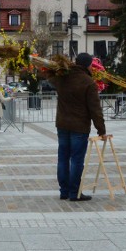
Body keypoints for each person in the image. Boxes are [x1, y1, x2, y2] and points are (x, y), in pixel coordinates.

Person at [48, 53, 107, 201]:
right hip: (79, 127)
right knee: (76, 160)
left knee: (62, 158)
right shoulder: (88, 82)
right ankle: (75, 193)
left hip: (62, 124)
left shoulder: (62, 77)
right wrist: (102, 130)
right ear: (89, 65)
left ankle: (64, 191)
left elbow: (49, 77)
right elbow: (95, 109)